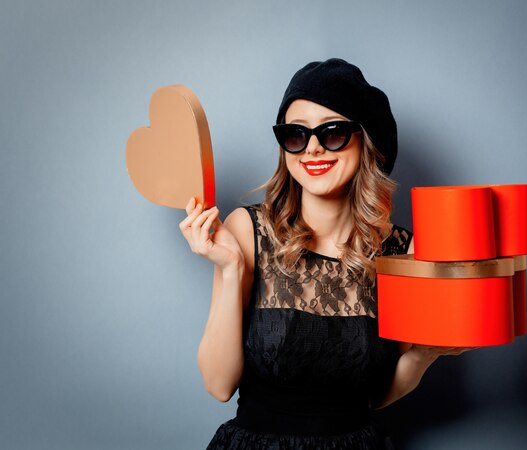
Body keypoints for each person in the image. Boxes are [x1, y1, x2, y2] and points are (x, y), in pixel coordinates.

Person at [179, 58, 470, 449]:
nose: (313, 148)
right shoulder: (246, 231)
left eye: (332, 133)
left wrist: (422, 356)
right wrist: (231, 269)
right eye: (296, 135)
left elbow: (376, 396)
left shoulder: (404, 253)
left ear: (367, 142)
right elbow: (218, 385)